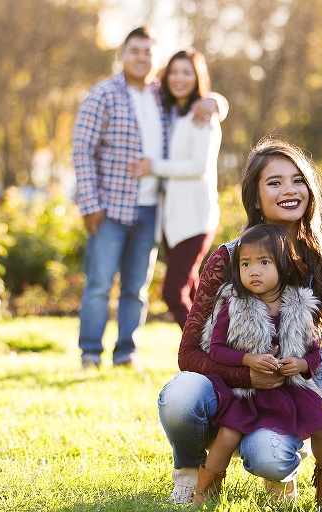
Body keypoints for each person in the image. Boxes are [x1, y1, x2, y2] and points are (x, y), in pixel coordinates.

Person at [158, 138, 322, 504]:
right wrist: (246, 374)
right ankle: (190, 476)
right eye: (275, 182)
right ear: (255, 197)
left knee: (270, 457)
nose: (289, 189)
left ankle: (282, 471)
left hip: (290, 398)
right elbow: (188, 353)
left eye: (298, 179)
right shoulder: (230, 259)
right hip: (228, 393)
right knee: (181, 396)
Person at [72, 28, 223, 370]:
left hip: (152, 208)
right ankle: (91, 354)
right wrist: (90, 204)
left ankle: (126, 353)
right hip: (110, 207)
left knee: (136, 288)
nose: (141, 58)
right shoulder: (103, 94)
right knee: (99, 285)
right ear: (122, 54)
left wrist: (217, 102)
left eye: (148, 53)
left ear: (156, 60)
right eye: (135, 51)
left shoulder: (161, 96)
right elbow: (82, 150)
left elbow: (200, 100)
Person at [192, 223, 322, 505]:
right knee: (228, 433)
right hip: (248, 392)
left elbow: (313, 353)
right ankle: (205, 492)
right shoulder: (234, 305)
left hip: (291, 391)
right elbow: (217, 350)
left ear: (283, 266)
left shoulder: (299, 306)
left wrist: (299, 364)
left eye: (263, 262)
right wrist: (248, 360)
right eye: (245, 264)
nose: (253, 271)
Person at [126, 48, 221, 330]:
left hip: (195, 218)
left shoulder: (202, 115)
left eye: (186, 72)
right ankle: (218, 352)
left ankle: (198, 353)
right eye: (174, 72)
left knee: (173, 291)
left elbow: (198, 167)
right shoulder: (169, 112)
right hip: (171, 220)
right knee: (190, 291)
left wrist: (153, 166)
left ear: (198, 77)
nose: (179, 78)